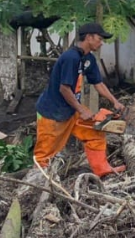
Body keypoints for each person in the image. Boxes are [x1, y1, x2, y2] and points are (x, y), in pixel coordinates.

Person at [34, 23, 126, 178]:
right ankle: (39, 183)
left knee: (95, 133)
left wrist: (114, 101)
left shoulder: (88, 58)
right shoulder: (71, 58)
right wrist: (82, 109)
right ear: (89, 37)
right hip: (52, 112)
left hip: (71, 111)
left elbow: (98, 83)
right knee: (44, 154)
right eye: (99, 38)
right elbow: (64, 89)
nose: (101, 42)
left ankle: (102, 169)